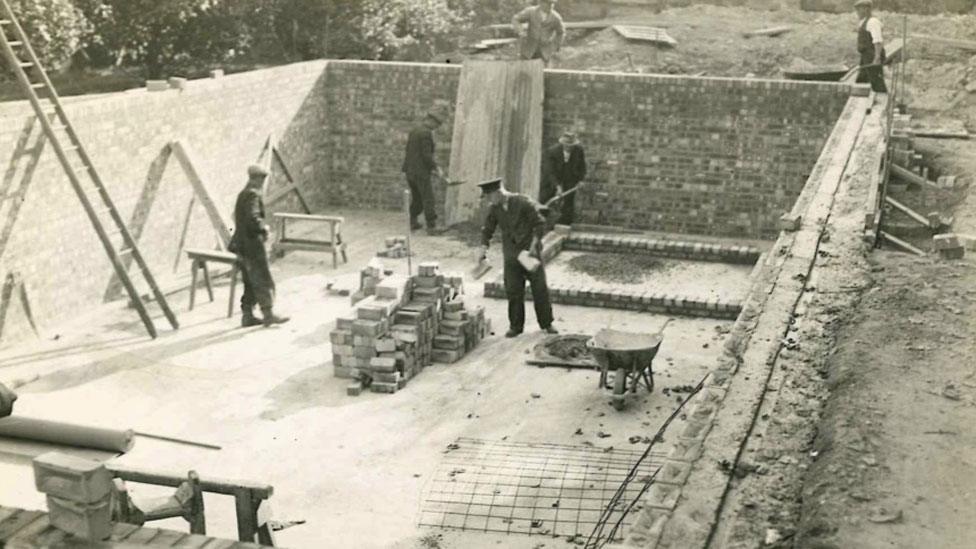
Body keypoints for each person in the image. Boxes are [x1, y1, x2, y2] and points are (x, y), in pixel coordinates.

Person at [478, 178, 558, 338]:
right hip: (511, 254)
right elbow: (487, 230)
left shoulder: (523, 202)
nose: (488, 200)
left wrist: (534, 246)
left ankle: (547, 323)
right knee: (513, 290)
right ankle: (516, 326)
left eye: (489, 196)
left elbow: (539, 224)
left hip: (530, 253)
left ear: (498, 192)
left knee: (539, 288)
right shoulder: (495, 209)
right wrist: (483, 248)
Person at [229, 164, 289, 328]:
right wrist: (264, 228)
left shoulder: (243, 194)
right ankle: (268, 314)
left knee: (249, 280)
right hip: (252, 244)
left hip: (241, 243)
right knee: (262, 278)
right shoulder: (253, 195)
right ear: (255, 179)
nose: (262, 183)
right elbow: (253, 218)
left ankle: (247, 315)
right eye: (261, 179)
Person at [402, 111, 445, 235]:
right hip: (420, 172)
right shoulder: (426, 133)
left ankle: (412, 221)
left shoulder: (415, 130)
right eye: (436, 124)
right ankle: (432, 227)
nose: (436, 127)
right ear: (430, 120)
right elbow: (426, 155)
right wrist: (436, 167)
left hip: (410, 171)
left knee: (418, 198)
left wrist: (430, 169)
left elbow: (412, 152)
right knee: (428, 198)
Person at [541, 131, 586, 225]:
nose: (569, 148)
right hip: (554, 176)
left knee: (569, 201)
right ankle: (541, 221)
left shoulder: (579, 150)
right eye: (566, 145)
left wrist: (581, 180)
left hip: (570, 175)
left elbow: (582, 166)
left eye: (571, 145)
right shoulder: (552, 151)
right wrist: (557, 186)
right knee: (546, 197)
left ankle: (564, 224)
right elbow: (550, 172)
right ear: (562, 144)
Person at [511, 0, 565, 66]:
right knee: (524, 72)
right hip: (528, 50)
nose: (550, 6)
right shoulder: (531, 12)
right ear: (541, 3)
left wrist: (554, 46)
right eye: (548, 3)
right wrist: (521, 32)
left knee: (543, 73)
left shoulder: (556, 17)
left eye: (552, 4)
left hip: (544, 52)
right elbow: (516, 19)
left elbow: (561, 33)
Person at [854, 0, 887, 93]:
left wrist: (877, 58)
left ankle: (882, 100)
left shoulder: (873, 22)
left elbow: (878, 41)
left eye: (859, 9)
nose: (857, 12)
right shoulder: (863, 22)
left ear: (866, 9)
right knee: (861, 80)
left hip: (872, 55)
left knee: (876, 81)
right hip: (865, 56)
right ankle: (861, 101)